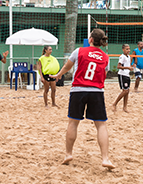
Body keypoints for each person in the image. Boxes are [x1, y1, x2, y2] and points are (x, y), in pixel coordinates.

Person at [51, 28, 115, 169]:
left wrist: (58, 75)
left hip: (78, 90)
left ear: (90, 39)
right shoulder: (105, 57)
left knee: (73, 123)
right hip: (97, 91)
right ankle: (105, 158)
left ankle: (68, 154)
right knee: (101, 125)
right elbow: (104, 74)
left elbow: (67, 67)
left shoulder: (79, 51)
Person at [112, 44, 134, 112]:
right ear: (123, 50)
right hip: (122, 75)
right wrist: (128, 68)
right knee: (125, 91)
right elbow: (118, 66)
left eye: (129, 49)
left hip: (127, 75)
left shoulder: (128, 57)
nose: (128, 50)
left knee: (127, 91)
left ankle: (125, 107)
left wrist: (132, 66)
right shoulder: (122, 57)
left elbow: (128, 65)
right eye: (127, 49)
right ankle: (114, 104)